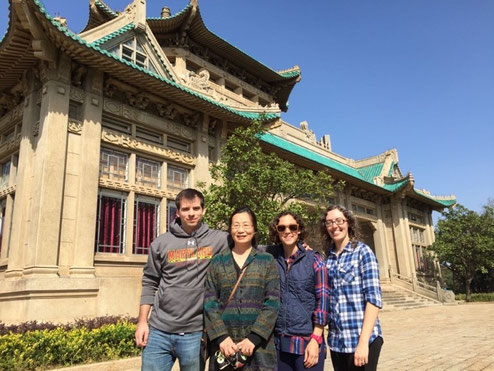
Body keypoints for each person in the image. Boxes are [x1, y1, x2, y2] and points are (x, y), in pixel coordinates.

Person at [135, 188, 230, 371]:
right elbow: (149, 282)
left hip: (195, 334)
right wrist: (142, 322)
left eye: (196, 208)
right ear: (177, 212)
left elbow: (249, 245)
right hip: (159, 331)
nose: (191, 213)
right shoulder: (161, 243)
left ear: (203, 210)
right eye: (186, 209)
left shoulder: (219, 239)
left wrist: (297, 247)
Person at [203, 207, 280, 370]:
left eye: (246, 225)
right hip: (225, 350)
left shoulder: (266, 261)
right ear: (230, 229)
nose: (241, 230)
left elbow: (273, 302)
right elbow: (210, 303)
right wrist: (221, 337)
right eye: (236, 225)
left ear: (254, 229)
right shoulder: (218, 261)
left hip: (260, 350)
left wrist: (254, 337)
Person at [321, 205, 383, 371]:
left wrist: (363, 343)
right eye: (329, 223)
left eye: (339, 221)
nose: (335, 226)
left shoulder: (363, 252)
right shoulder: (328, 259)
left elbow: (373, 299)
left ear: (348, 223)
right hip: (337, 343)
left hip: (362, 340)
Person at [266, 211, 329, 371]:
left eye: (292, 227)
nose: (287, 231)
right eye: (282, 228)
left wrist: (316, 339)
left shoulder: (314, 259)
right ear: (276, 231)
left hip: (306, 342)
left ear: (299, 229)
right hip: (279, 343)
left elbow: (323, 300)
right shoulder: (271, 258)